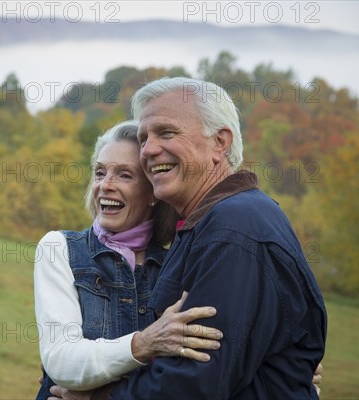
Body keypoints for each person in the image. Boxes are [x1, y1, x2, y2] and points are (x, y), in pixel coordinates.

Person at [51, 77, 327, 399]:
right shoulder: (211, 223)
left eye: (166, 132)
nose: (149, 149)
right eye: (144, 138)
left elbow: (195, 384)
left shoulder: (232, 229)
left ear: (220, 143)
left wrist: (100, 397)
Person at [34, 121, 224, 399]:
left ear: (153, 192)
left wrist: (277, 363)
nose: (105, 185)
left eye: (125, 175)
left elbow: (202, 365)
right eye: (100, 173)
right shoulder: (59, 248)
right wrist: (144, 344)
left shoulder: (178, 263)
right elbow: (62, 361)